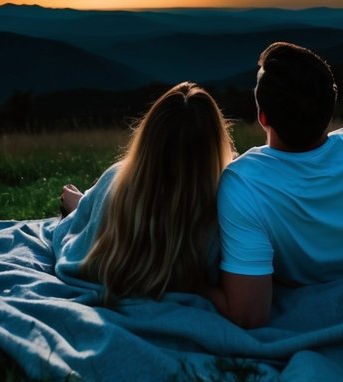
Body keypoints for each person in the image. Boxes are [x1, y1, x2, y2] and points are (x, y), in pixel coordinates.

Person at [207, 41, 343, 328]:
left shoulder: (243, 183)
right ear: (329, 108)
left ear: (263, 117)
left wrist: (195, 285)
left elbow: (249, 314)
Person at [53, 81, 235, 303]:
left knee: (86, 205)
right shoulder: (225, 206)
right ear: (215, 144)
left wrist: (77, 211)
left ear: (149, 136)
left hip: (113, 273)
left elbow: (79, 241)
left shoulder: (117, 180)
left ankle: (80, 203)